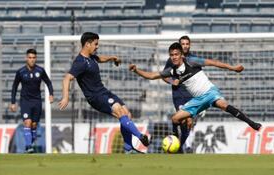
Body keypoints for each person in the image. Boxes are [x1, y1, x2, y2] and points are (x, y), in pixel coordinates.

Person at [129, 42, 262, 133]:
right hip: (197, 100)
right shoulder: (172, 71)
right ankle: (176, 143)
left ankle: (251, 123)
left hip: (209, 93)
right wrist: (136, 70)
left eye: (176, 54)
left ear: (181, 54)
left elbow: (213, 62)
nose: (174, 57)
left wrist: (233, 68)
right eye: (172, 55)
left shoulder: (191, 61)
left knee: (224, 105)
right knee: (175, 119)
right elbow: (151, 76)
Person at [58, 32, 149, 153]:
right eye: (95, 44)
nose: (97, 47)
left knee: (127, 114)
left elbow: (100, 59)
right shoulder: (80, 62)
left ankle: (128, 148)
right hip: (95, 97)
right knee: (120, 111)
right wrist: (65, 97)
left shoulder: (91, 57)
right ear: (87, 44)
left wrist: (112, 58)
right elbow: (67, 78)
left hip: (103, 92)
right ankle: (140, 136)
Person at [163, 36, 245, 153]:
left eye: (187, 44)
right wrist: (173, 82)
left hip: (194, 95)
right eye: (182, 44)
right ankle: (180, 145)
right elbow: (164, 76)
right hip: (179, 94)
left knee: (190, 122)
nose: (185, 46)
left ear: (189, 45)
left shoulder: (192, 59)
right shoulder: (172, 60)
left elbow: (202, 71)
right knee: (183, 121)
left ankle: (181, 146)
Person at [10, 48, 54, 153]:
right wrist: (13, 102)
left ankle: (31, 143)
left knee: (34, 125)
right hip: (25, 101)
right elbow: (14, 87)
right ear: (26, 58)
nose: (32, 60)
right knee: (27, 123)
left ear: (36, 58)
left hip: (37, 101)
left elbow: (48, 82)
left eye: (34, 58)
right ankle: (29, 146)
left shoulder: (40, 70)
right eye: (30, 57)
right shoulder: (21, 72)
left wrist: (51, 94)